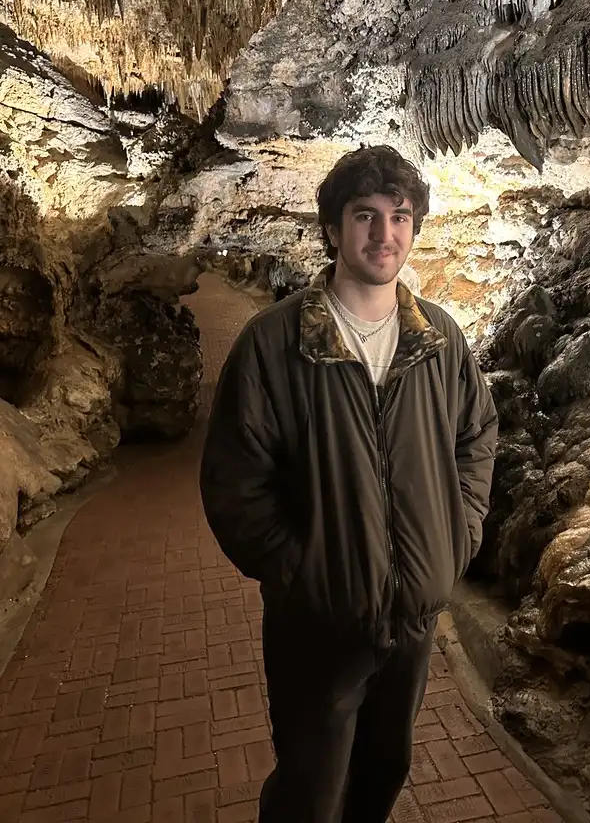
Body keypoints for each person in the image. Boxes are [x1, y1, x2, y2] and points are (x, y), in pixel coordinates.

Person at [199, 144, 498, 823]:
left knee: (383, 773)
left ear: (413, 228)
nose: (383, 233)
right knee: (311, 789)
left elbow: (476, 439)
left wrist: (458, 536)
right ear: (334, 229)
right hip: (319, 626)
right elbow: (235, 482)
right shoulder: (276, 344)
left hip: (413, 623)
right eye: (365, 215)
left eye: (398, 217)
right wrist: (303, 572)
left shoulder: (440, 340)